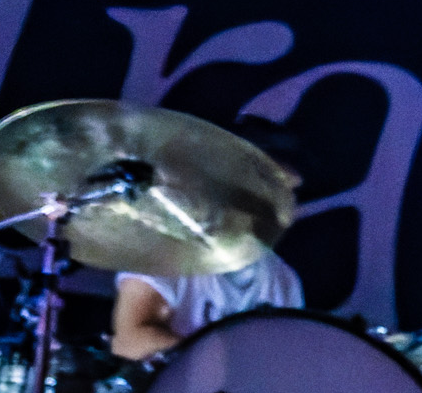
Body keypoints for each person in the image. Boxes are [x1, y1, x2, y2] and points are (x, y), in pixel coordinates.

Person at [108, 117, 306, 361]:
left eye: (291, 191)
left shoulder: (284, 279)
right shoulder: (166, 250)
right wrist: (215, 361)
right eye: (275, 185)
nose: (287, 202)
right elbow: (129, 341)